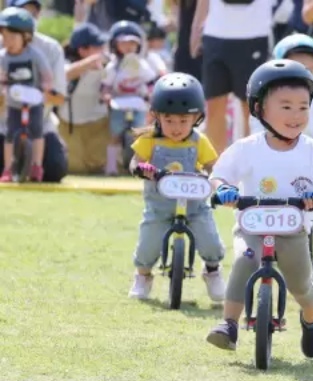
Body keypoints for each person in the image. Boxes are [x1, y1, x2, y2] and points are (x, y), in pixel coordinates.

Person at [205, 60, 313, 357]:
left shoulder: (312, 151)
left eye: (303, 107)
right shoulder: (247, 148)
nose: (296, 115)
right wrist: (225, 191)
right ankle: (229, 323)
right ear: (259, 109)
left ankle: (311, 318)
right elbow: (218, 175)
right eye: (285, 106)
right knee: (245, 259)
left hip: (293, 230)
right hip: (252, 226)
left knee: (301, 285)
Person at [128, 72, 226, 302]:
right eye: (169, 120)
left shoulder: (199, 141)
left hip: (194, 206)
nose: (176, 127)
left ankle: (212, 271)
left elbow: (214, 166)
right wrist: (140, 168)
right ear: (157, 116)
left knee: (209, 238)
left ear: (197, 118)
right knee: (148, 243)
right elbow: (134, 161)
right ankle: (143, 276)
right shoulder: (150, 139)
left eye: (183, 121)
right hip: (159, 206)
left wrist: (215, 180)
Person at [189, 0, 272, 154]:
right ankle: (215, 168)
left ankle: (250, 165)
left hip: (254, 34)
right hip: (215, 34)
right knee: (214, 107)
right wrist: (196, 29)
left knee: (251, 108)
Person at [0, 0, 68, 183]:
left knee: (54, 168)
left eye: (32, 12)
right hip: (4, 121)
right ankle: (9, 167)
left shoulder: (50, 48)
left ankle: (36, 164)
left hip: (39, 118)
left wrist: (40, 93)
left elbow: (59, 96)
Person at [250, 33, 313, 141]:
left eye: (309, 71)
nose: (302, 77)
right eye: (295, 70)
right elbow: (257, 140)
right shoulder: (263, 103)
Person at [102, 20, 157, 176]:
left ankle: (141, 166)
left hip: (138, 102)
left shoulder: (142, 65)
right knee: (114, 135)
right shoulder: (114, 66)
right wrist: (106, 95)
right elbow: (105, 84)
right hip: (118, 102)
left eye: (132, 43)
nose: (129, 47)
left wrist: (151, 95)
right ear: (115, 45)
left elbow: (150, 82)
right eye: (124, 43)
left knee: (141, 133)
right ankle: (111, 166)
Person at [58, 22, 111, 175]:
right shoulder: (66, 63)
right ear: (82, 50)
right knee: (74, 168)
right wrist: (90, 63)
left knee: (97, 165)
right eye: (97, 47)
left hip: (99, 123)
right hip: (70, 125)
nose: (102, 50)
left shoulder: (109, 65)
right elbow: (65, 74)